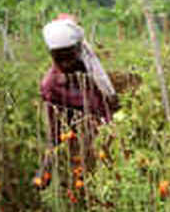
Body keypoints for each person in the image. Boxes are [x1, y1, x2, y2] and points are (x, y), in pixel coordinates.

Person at [36, 14, 119, 187]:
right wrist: (45, 167)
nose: (66, 64)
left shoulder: (93, 73)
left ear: (79, 50)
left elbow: (110, 105)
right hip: (82, 141)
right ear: (51, 56)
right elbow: (55, 132)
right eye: (59, 59)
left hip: (105, 134)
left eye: (69, 57)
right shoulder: (51, 86)